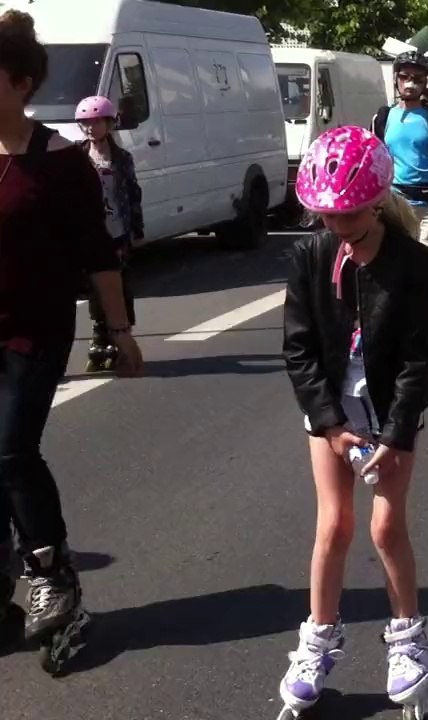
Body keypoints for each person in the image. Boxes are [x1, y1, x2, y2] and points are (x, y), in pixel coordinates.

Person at [280, 125, 428, 719]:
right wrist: (327, 423)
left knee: (386, 528)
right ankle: (316, 643)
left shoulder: (412, 264)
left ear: (376, 202)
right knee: (334, 527)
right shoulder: (310, 257)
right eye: (326, 214)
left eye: (348, 213)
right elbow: (298, 350)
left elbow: (420, 357)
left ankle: (408, 639)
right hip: (330, 411)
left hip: (390, 410)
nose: (337, 225)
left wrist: (396, 434)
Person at [0, 7, 142, 657]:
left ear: (21, 83)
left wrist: (119, 329)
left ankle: (51, 575)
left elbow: (98, 255)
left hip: (35, 331)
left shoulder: (61, 163)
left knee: (11, 451)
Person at [371, 51, 428, 362]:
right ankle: (394, 330)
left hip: (427, 204)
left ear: (425, 83)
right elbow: (373, 161)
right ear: (396, 79)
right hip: (392, 204)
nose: (410, 83)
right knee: (390, 270)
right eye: (405, 77)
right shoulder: (382, 118)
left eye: (418, 78)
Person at [75, 95, 143, 373]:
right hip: (89, 232)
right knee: (94, 288)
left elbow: (133, 194)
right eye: (85, 123)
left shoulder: (122, 159)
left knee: (120, 285)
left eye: (96, 122)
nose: (90, 128)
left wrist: (136, 229)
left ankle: (120, 333)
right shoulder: (77, 156)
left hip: (116, 232)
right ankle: (99, 333)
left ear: (109, 124)